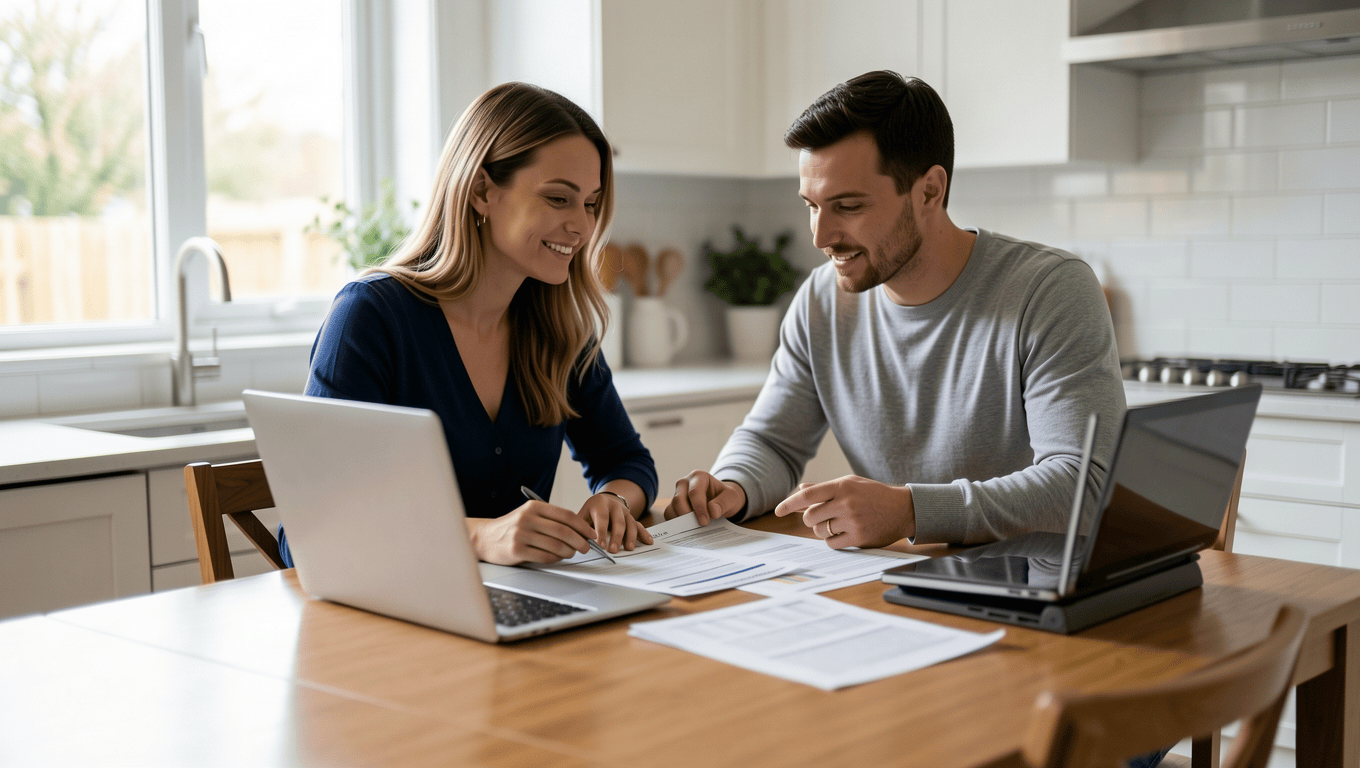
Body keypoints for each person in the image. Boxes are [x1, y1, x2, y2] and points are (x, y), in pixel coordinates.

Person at [666, 70, 1127, 552]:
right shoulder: (823, 300)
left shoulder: (1049, 289)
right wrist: (730, 487)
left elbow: (1083, 485)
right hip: (899, 582)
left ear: (929, 191)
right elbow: (773, 442)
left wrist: (911, 511)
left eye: (848, 206)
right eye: (812, 205)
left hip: (1036, 587)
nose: (821, 238)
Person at [281, 82, 657, 568]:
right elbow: (309, 533)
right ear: (482, 191)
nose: (583, 228)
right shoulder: (372, 317)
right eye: (559, 199)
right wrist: (478, 538)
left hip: (523, 611)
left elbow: (625, 461)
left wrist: (615, 502)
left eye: (590, 204)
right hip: (396, 618)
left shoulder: (560, 327)